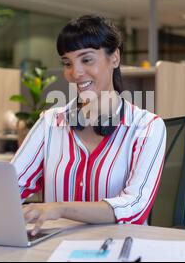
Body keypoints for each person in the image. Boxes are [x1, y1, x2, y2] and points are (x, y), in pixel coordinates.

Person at [11, 15, 166, 235]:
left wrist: (60, 208)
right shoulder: (50, 123)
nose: (75, 72)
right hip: (53, 250)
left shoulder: (147, 127)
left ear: (114, 58)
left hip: (118, 251)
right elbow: (9, 187)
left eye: (87, 59)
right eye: (67, 63)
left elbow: (134, 206)